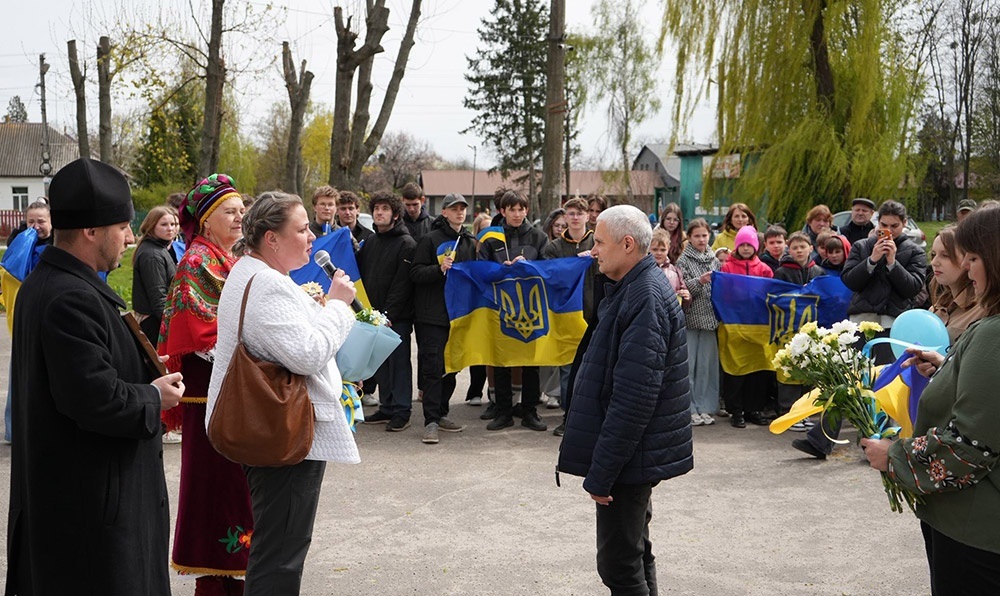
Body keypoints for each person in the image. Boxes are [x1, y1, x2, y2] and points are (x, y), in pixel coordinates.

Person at [5, 157, 185, 595]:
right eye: (121, 226)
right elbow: (94, 399)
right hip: (90, 517)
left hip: (80, 506)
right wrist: (151, 396)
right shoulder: (70, 297)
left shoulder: (53, 284)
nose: (128, 237)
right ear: (90, 231)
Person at [207, 192, 360, 595]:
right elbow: (308, 354)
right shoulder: (266, 285)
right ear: (271, 240)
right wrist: (340, 307)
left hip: (277, 429)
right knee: (281, 554)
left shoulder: (255, 274)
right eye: (302, 228)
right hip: (283, 435)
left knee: (279, 546)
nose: (312, 237)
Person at [860, 206, 1000, 594]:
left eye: (972, 258)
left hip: (975, 530)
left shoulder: (993, 333)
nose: (969, 270)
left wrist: (894, 456)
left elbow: (970, 448)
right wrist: (947, 370)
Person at [558, 204, 693, 596]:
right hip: (632, 455)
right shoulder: (632, 287)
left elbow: (633, 399)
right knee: (634, 552)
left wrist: (603, 473)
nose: (593, 250)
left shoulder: (645, 297)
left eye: (599, 242)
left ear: (627, 244)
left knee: (618, 565)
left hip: (629, 458)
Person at [158, 174, 254, 594]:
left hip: (229, 394)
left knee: (233, 490)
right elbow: (197, 334)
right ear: (207, 220)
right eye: (230, 212)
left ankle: (233, 572)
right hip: (210, 399)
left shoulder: (226, 257)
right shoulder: (198, 261)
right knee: (218, 491)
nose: (239, 218)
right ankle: (218, 580)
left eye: (240, 211)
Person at [794, 201, 926, 457]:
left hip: (891, 325)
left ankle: (878, 444)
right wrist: (873, 259)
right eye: (883, 225)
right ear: (877, 223)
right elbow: (849, 280)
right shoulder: (862, 246)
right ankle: (821, 440)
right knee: (845, 380)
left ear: (904, 225)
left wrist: (891, 262)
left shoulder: (914, 251)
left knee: (884, 384)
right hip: (859, 323)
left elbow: (913, 287)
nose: (887, 231)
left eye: (894, 226)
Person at [478, 189, 549, 431]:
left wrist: (528, 266)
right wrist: (500, 270)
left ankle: (530, 410)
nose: (517, 214)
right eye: (512, 209)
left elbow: (548, 269)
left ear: (526, 210)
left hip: (531, 309)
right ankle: (503, 411)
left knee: (531, 362)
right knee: (501, 360)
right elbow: (480, 270)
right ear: (502, 211)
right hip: (499, 308)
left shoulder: (539, 237)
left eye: (521, 209)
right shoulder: (490, 238)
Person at [410, 193, 476, 444]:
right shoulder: (429, 239)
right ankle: (430, 421)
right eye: (454, 209)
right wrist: (439, 270)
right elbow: (415, 273)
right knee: (433, 368)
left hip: (458, 316)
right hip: (432, 316)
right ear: (444, 212)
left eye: (463, 209)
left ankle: (443, 412)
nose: (460, 213)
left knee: (453, 367)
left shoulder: (469, 241)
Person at [358, 190, 417, 431]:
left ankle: (402, 410)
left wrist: (388, 315)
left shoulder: (406, 243)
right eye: (376, 208)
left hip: (396, 318)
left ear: (395, 214)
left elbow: (402, 285)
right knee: (381, 363)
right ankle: (387, 407)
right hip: (373, 316)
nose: (379, 213)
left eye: (385, 209)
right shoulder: (371, 241)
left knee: (399, 364)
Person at [2, 199, 53, 443]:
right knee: (20, 374)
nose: (36, 226)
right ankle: (14, 431)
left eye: (41, 221)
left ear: (51, 222)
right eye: (30, 221)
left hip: (48, 316)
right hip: (25, 318)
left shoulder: (56, 245)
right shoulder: (19, 243)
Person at [545, 197, 599, 429]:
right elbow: (548, 278)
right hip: (566, 316)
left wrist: (596, 259)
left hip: (595, 313)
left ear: (588, 216)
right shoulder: (554, 247)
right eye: (571, 213)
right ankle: (569, 418)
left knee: (595, 368)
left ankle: (592, 417)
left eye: (580, 213)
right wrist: (569, 266)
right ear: (565, 217)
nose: (575, 218)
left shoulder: (599, 242)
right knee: (568, 369)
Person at [720, 226, 775, 428]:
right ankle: (736, 410)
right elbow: (723, 294)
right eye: (741, 244)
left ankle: (754, 409)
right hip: (734, 324)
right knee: (736, 369)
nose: (745, 248)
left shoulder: (764, 269)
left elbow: (770, 295)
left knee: (757, 370)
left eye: (748, 244)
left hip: (758, 326)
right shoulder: (727, 268)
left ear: (755, 246)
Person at [676, 218, 721, 426]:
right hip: (691, 318)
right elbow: (682, 289)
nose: (702, 239)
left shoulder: (714, 259)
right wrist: (700, 282)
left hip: (710, 318)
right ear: (689, 238)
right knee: (689, 366)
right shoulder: (683, 261)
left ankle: (705, 407)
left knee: (706, 366)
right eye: (697, 236)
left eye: (704, 235)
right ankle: (690, 407)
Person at [132, 206, 179, 345]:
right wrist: (174, 327)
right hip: (154, 324)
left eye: (173, 224)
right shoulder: (152, 255)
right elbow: (158, 298)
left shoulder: (159, 248)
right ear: (151, 226)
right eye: (164, 224)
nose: (170, 228)